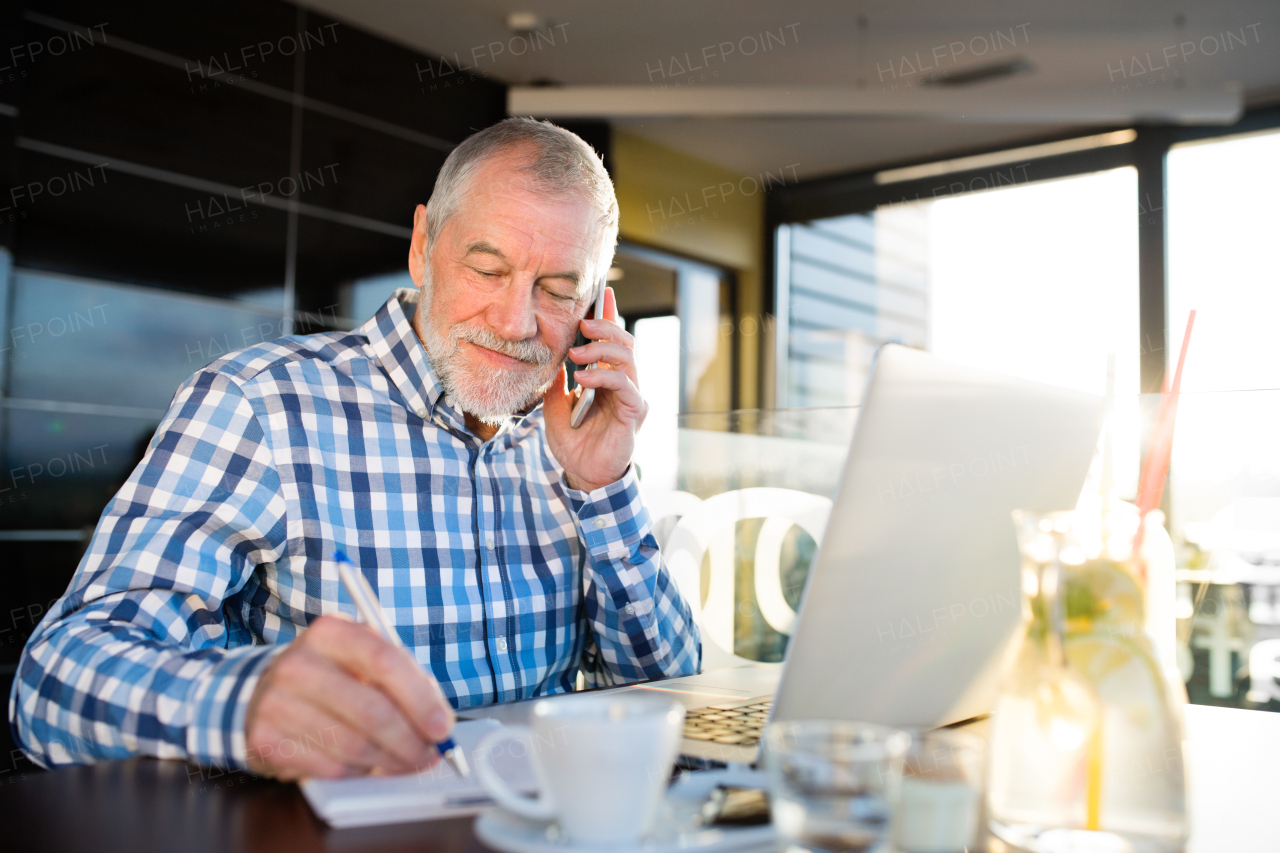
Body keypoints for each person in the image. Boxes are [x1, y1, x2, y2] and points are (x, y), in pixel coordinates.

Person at [9, 118, 701, 780]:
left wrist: (605, 490)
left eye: (555, 290)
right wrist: (243, 704)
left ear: (594, 309)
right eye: (487, 270)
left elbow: (676, 703)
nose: (516, 321)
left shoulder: (577, 445)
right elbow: (52, 685)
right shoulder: (260, 403)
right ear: (423, 246)